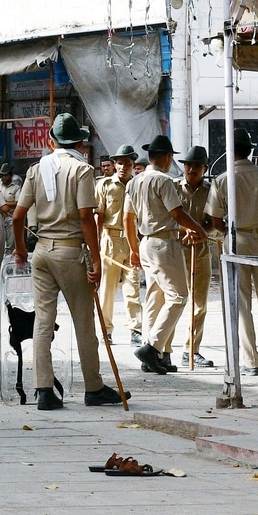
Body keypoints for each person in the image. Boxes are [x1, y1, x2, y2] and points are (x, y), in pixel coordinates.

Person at [11, 114, 124, 409]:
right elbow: (86, 217)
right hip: (71, 253)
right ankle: (93, 388)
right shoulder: (82, 170)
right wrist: (96, 260)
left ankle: (44, 390)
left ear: (51, 142)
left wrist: (21, 249)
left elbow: (18, 216)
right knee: (84, 323)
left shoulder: (37, 169)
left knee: (42, 323)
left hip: (42, 254)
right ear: (80, 142)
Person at [206, 129, 258, 376]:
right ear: (250, 150)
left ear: (230, 151)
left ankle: (251, 361)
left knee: (241, 302)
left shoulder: (223, 179)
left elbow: (215, 218)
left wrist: (228, 230)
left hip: (236, 238)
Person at [126, 135, 207, 375]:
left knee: (155, 297)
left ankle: (154, 354)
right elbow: (177, 213)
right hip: (163, 244)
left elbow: (128, 218)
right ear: (168, 157)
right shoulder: (164, 181)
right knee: (178, 297)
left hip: (146, 243)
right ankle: (152, 347)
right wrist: (198, 229)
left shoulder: (135, 181)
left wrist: (133, 248)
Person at [94, 145, 141, 345]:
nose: (123, 167)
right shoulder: (105, 185)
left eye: (127, 164)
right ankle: (106, 330)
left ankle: (136, 329)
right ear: (114, 165)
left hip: (133, 242)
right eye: (120, 163)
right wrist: (95, 246)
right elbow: (99, 217)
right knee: (107, 289)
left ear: (133, 166)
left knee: (133, 287)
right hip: (110, 240)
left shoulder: (138, 185)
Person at [175, 145, 217, 368]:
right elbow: (167, 217)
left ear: (204, 168)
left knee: (199, 304)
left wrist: (201, 232)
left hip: (200, 251)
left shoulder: (212, 190)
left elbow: (215, 221)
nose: (191, 169)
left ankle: (191, 349)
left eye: (196, 166)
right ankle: (160, 349)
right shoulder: (173, 187)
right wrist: (185, 230)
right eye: (188, 165)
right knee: (173, 300)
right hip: (175, 251)